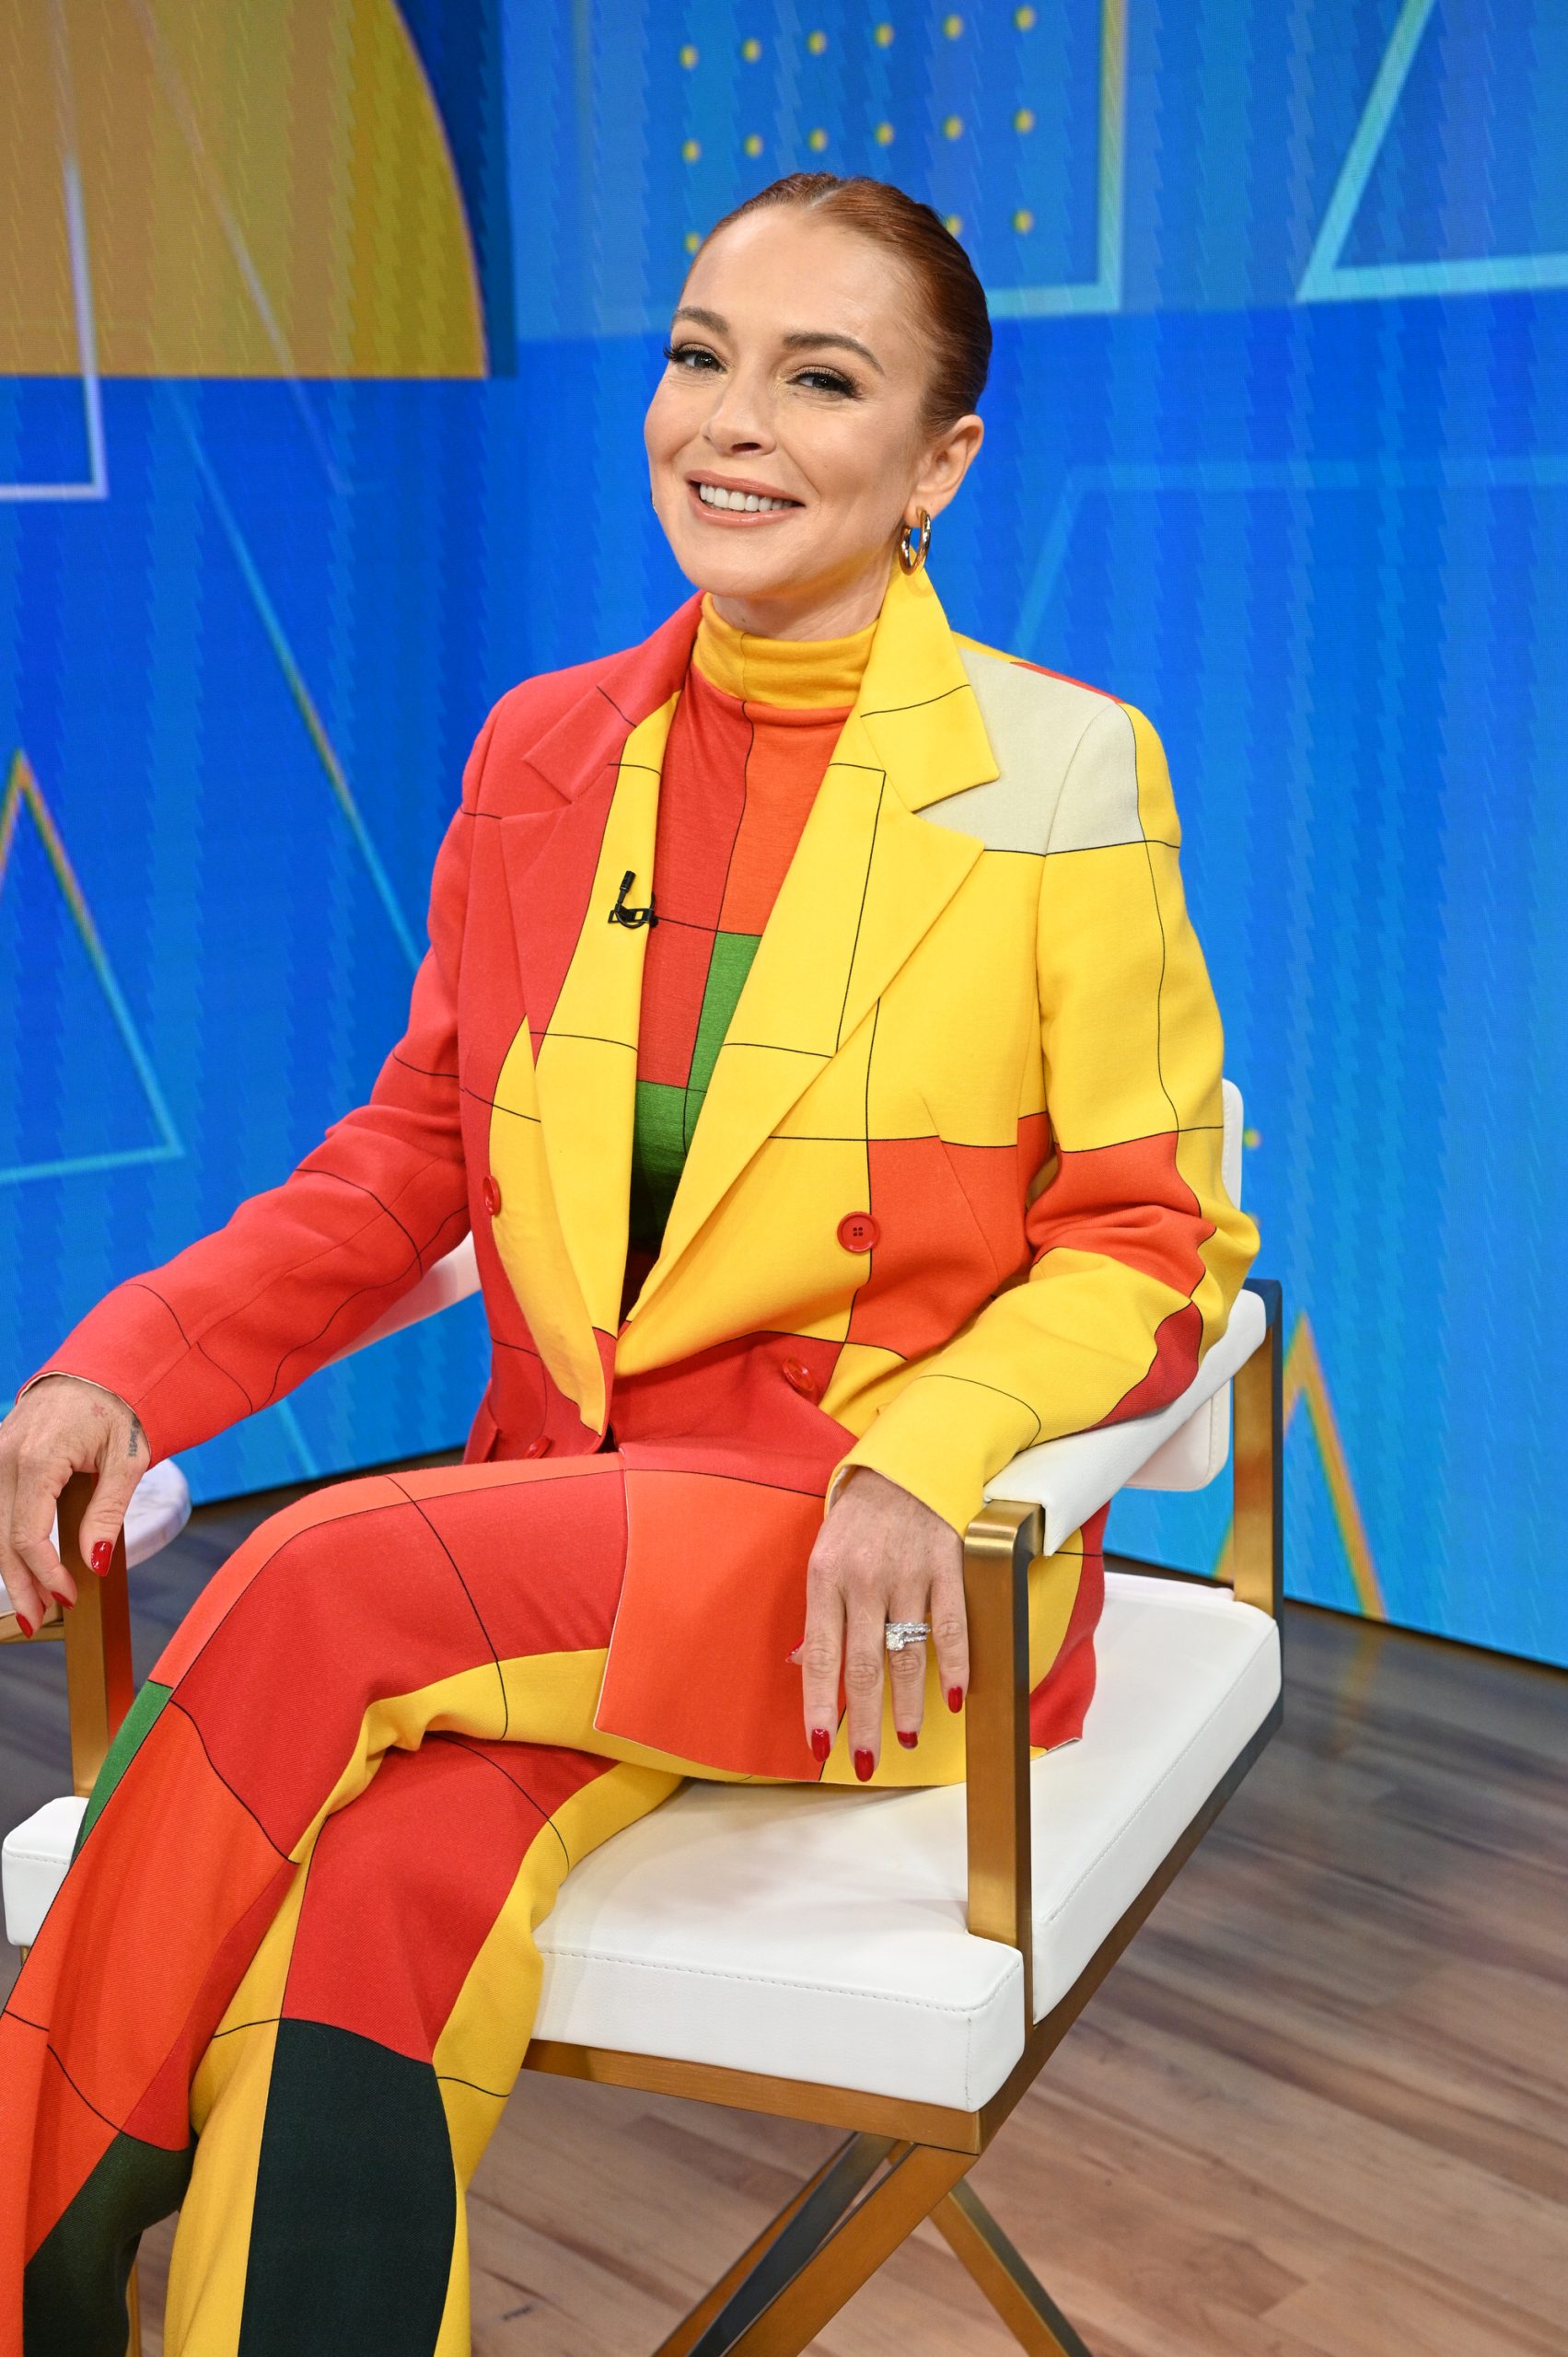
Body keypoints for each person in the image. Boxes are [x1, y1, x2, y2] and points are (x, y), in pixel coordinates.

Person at [0, 172, 1259, 2355]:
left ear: (942, 460)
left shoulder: (1066, 774)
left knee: (319, 1576)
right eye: (700, 356)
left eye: (822, 378)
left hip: (864, 1566)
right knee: (373, 1909)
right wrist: (124, 1363)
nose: (733, 421)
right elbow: (415, 1157)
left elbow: (1158, 1238)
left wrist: (933, 1444)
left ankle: (31, 2266)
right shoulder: (540, 750)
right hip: (567, 1544)